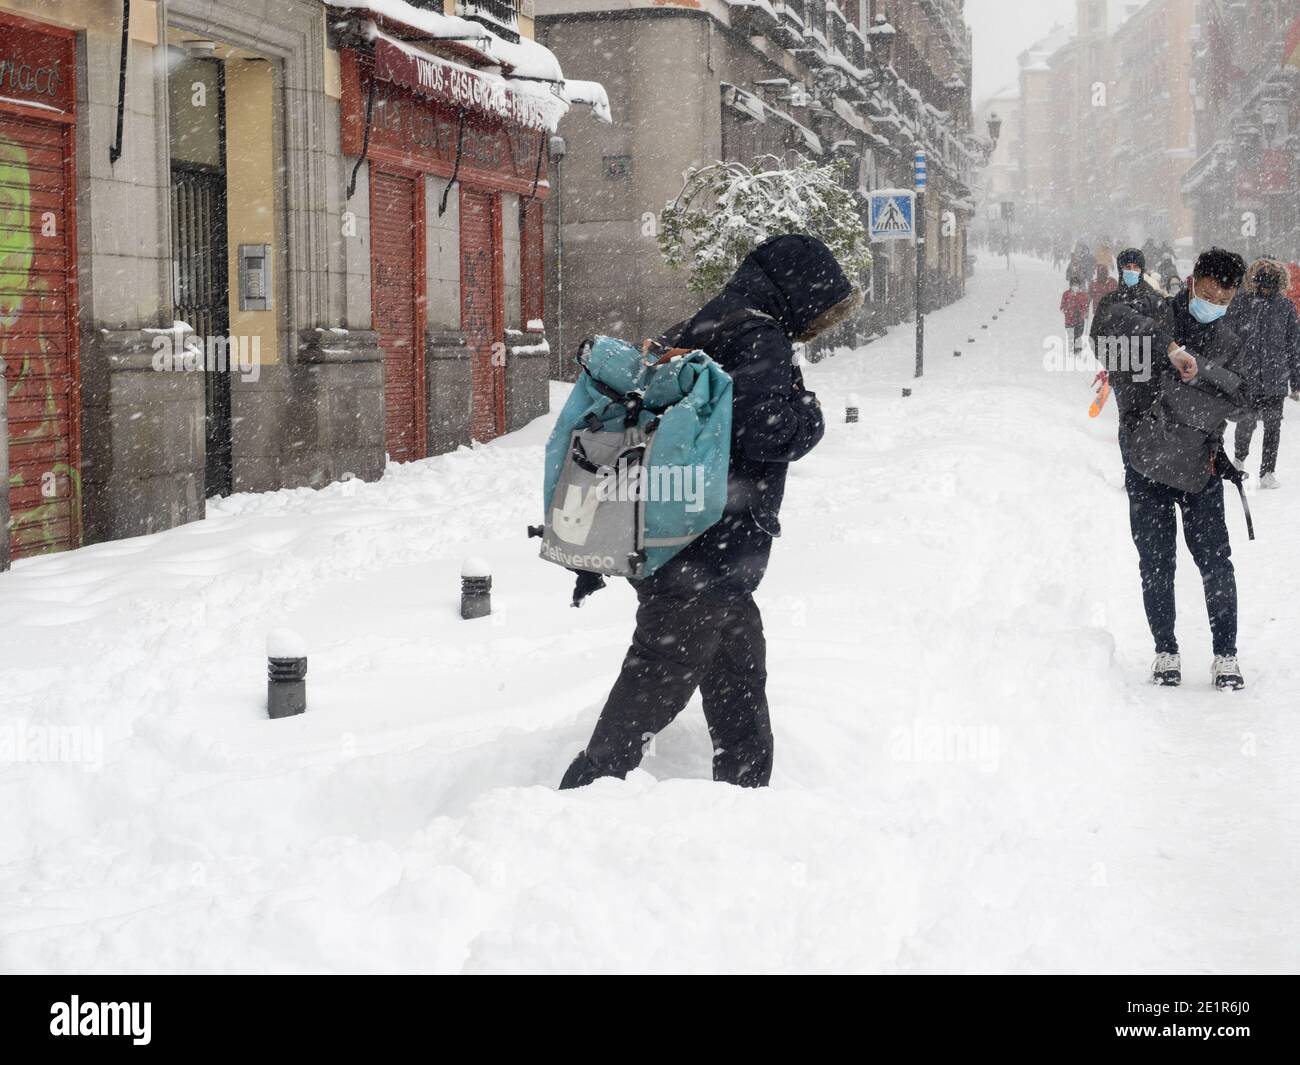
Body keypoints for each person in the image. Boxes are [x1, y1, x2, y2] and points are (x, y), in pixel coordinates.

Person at [559, 235, 860, 789]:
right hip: (708, 548)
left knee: (737, 670)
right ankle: (581, 794)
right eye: (821, 306)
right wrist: (811, 414)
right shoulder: (760, 336)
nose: (817, 321)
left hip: (671, 533)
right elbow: (766, 432)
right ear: (799, 289)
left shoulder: (703, 325)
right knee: (658, 676)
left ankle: (744, 795)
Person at [1092, 247, 1250, 690]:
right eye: (1211, 291)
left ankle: (1226, 654)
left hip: (1201, 469)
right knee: (1156, 565)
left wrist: (1198, 375)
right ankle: (1166, 650)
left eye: (1226, 296)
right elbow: (1106, 328)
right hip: (1146, 465)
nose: (1216, 302)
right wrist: (1169, 348)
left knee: (1216, 563)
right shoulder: (1155, 310)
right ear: (1193, 279)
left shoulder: (1233, 337)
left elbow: (1244, 401)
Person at [1090, 248, 1173, 464]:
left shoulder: (1153, 300)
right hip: (1122, 374)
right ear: (1120, 270)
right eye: (1127, 267)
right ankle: (1131, 470)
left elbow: (1166, 334)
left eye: (1136, 267)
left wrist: (1159, 362)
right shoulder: (1109, 301)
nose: (1131, 271)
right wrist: (1112, 361)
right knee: (1127, 422)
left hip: (1151, 373)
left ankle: (1151, 470)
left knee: (1153, 421)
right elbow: (1096, 337)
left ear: (1142, 270)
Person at [1229, 258, 1300, 488]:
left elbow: (1294, 345)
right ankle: (1239, 461)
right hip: (1247, 377)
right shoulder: (1242, 302)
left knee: (1273, 426)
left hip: (1275, 378)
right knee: (1246, 422)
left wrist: (1296, 381)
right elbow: (1229, 337)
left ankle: (1268, 471)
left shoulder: (1286, 307)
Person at [1061, 279, 1090, 352]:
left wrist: (1081, 312)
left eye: (1076, 285)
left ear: (1079, 286)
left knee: (1078, 335)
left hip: (1080, 320)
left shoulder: (1083, 295)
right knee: (1071, 337)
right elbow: (1062, 307)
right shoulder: (1066, 294)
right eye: (1073, 285)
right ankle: (1071, 351)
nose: (1075, 287)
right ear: (1070, 286)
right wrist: (1069, 311)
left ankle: (1078, 351)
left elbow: (1085, 307)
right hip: (1069, 320)